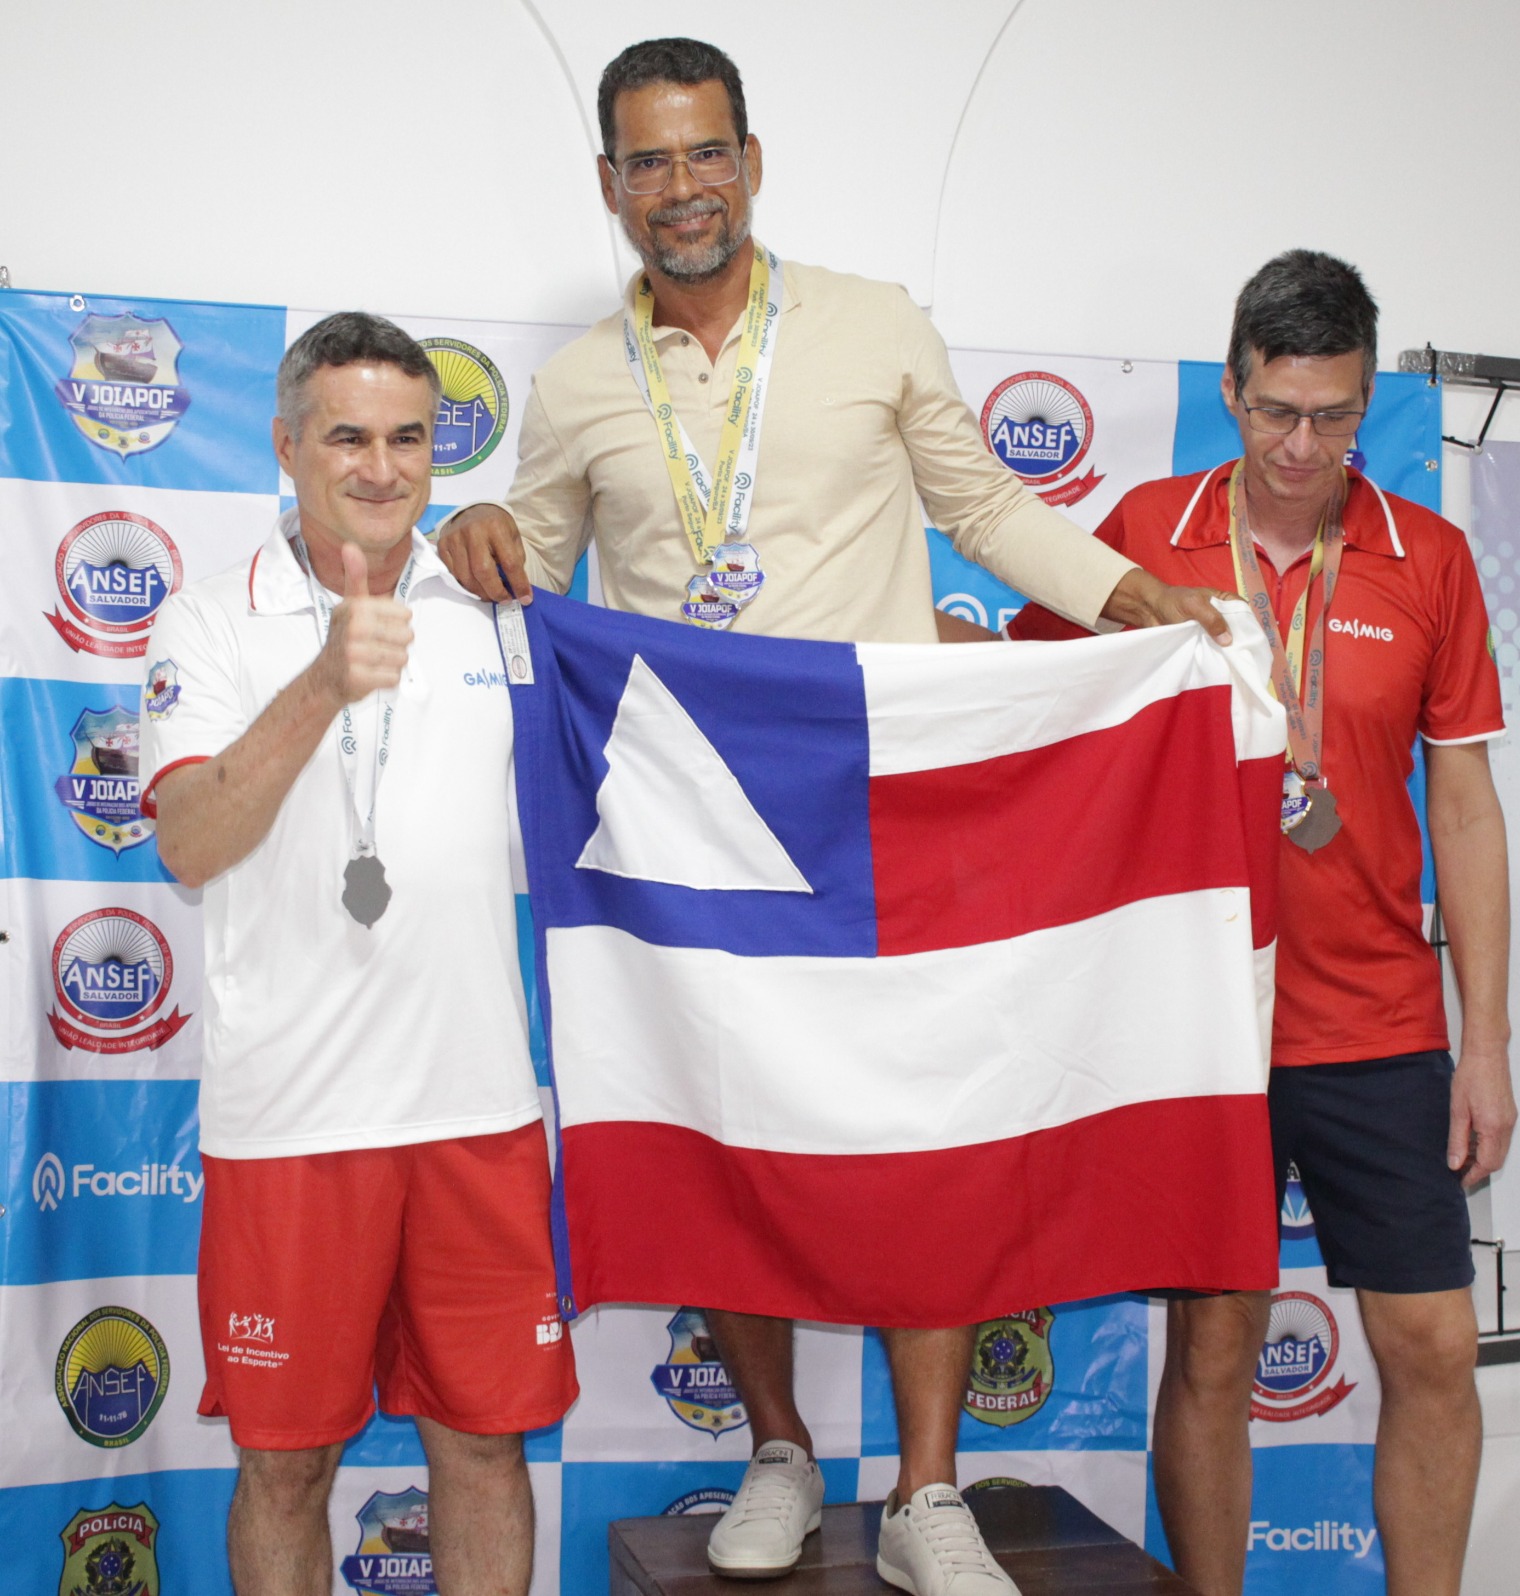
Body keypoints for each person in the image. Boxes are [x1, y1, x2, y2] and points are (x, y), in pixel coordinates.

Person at [435, 35, 1235, 1596]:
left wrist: (1132, 592)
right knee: (731, 1129)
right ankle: (782, 1450)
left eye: (706, 152)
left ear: (753, 158)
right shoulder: (577, 382)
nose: (684, 189)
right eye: (650, 163)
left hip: (887, 787)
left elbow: (984, 506)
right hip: (694, 819)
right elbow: (531, 548)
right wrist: (477, 525)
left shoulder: (874, 323)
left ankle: (929, 1492)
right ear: (612, 187)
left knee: (919, 1117)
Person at [1009, 249, 1515, 1596]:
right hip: (1200, 1021)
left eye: (1337, 416)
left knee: (1433, 1350)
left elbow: (1463, 807)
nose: (1304, 447)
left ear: (1366, 406)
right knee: (1217, 1348)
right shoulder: (1142, 530)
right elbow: (1023, 719)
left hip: (1378, 1020)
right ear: (1230, 391)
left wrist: (1489, 1045)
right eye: (1278, 411)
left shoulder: (1432, 560)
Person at [138, 313, 577, 1596]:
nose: (380, 468)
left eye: (407, 438)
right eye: (346, 438)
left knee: (488, 1451)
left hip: (477, 1111)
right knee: (285, 1468)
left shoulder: (501, 609)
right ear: (285, 446)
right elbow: (187, 840)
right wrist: (325, 681)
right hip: (291, 1126)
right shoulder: (210, 620)